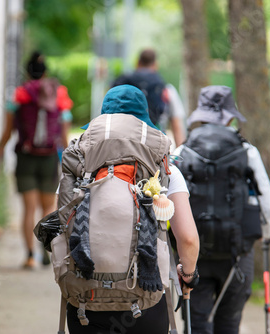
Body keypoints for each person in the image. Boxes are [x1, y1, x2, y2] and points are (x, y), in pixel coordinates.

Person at [60, 85, 200, 334]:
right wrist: (187, 274)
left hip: (85, 302)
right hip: (146, 302)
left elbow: (58, 228)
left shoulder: (78, 167)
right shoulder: (166, 169)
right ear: (144, 124)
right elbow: (187, 239)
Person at [174, 86, 270, 334]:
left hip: (193, 257)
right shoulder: (246, 151)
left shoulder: (181, 152)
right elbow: (269, 204)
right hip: (237, 255)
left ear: (200, 116)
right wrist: (268, 234)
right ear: (230, 116)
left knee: (197, 323)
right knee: (229, 324)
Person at [0, 51, 73, 269]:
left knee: (29, 208)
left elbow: (7, 133)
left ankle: (29, 256)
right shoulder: (59, 94)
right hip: (48, 159)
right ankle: (46, 250)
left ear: (27, 71)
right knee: (48, 208)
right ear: (45, 72)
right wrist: (67, 163)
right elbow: (63, 136)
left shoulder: (19, 95)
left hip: (25, 158)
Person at [113, 48, 186, 146]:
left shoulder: (122, 86)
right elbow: (176, 125)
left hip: (123, 145)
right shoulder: (166, 89)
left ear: (137, 63)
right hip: (155, 146)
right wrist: (179, 154)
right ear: (156, 65)